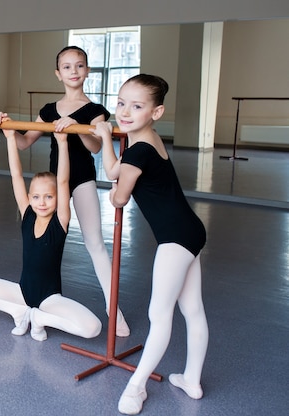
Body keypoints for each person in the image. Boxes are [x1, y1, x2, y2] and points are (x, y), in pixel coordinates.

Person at [0, 46, 130, 337]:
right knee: (44, 243)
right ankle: (41, 297)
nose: (74, 72)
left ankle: (113, 309)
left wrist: (77, 127)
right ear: (58, 74)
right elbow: (24, 142)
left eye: (80, 66)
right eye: (67, 67)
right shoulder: (49, 111)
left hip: (81, 180)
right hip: (56, 184)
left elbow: (95, 146)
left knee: (95, 244)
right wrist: (5, 126)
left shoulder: (95, 111)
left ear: (87, 71)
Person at [92, 74, 208, 415]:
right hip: (190, 231)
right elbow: (118, 171)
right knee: (192, 310)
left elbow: (118, 194)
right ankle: (192, 380)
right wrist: (111, 144)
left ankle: (135, 387)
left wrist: (103, 137)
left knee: (159, 314)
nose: (125, 112)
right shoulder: (149, 139)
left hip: (175, 239)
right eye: (121, 103)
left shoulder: (140, 150)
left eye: (137, 106)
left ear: (156, 112)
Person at [0, 125, 102, 342]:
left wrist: (62, 143)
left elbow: (63, 181)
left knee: (93, 328)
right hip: (21, 293)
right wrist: (9, 138)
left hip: (50, 298)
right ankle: (20, 312)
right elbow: (16, 175)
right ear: (29, 197)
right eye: (36, 197)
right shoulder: (27, 214)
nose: (41, 202)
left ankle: (38, 318)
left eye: (49, 197)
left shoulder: (60, 221)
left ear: (58, 198)